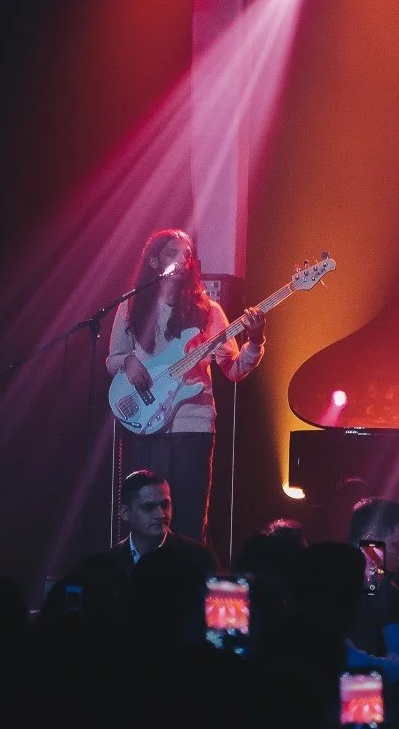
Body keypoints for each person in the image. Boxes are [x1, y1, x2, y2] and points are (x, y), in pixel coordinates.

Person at [106, 228, 265, 542]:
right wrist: (128, 362)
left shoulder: (208, 311)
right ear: (154, 261)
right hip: (145, 422)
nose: (182, 260)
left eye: (187, 255)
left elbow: (233, 369)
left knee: (189, 519)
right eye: (172, 253)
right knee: (146, 519)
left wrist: (256, 341)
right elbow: (112, 360)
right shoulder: (131, 307)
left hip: (194, 424)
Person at [107, 469, 217, 575]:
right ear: (125, 513)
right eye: (149, 507)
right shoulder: (109, 563)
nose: (161, 515)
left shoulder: (198, 558)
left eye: (165, 505)